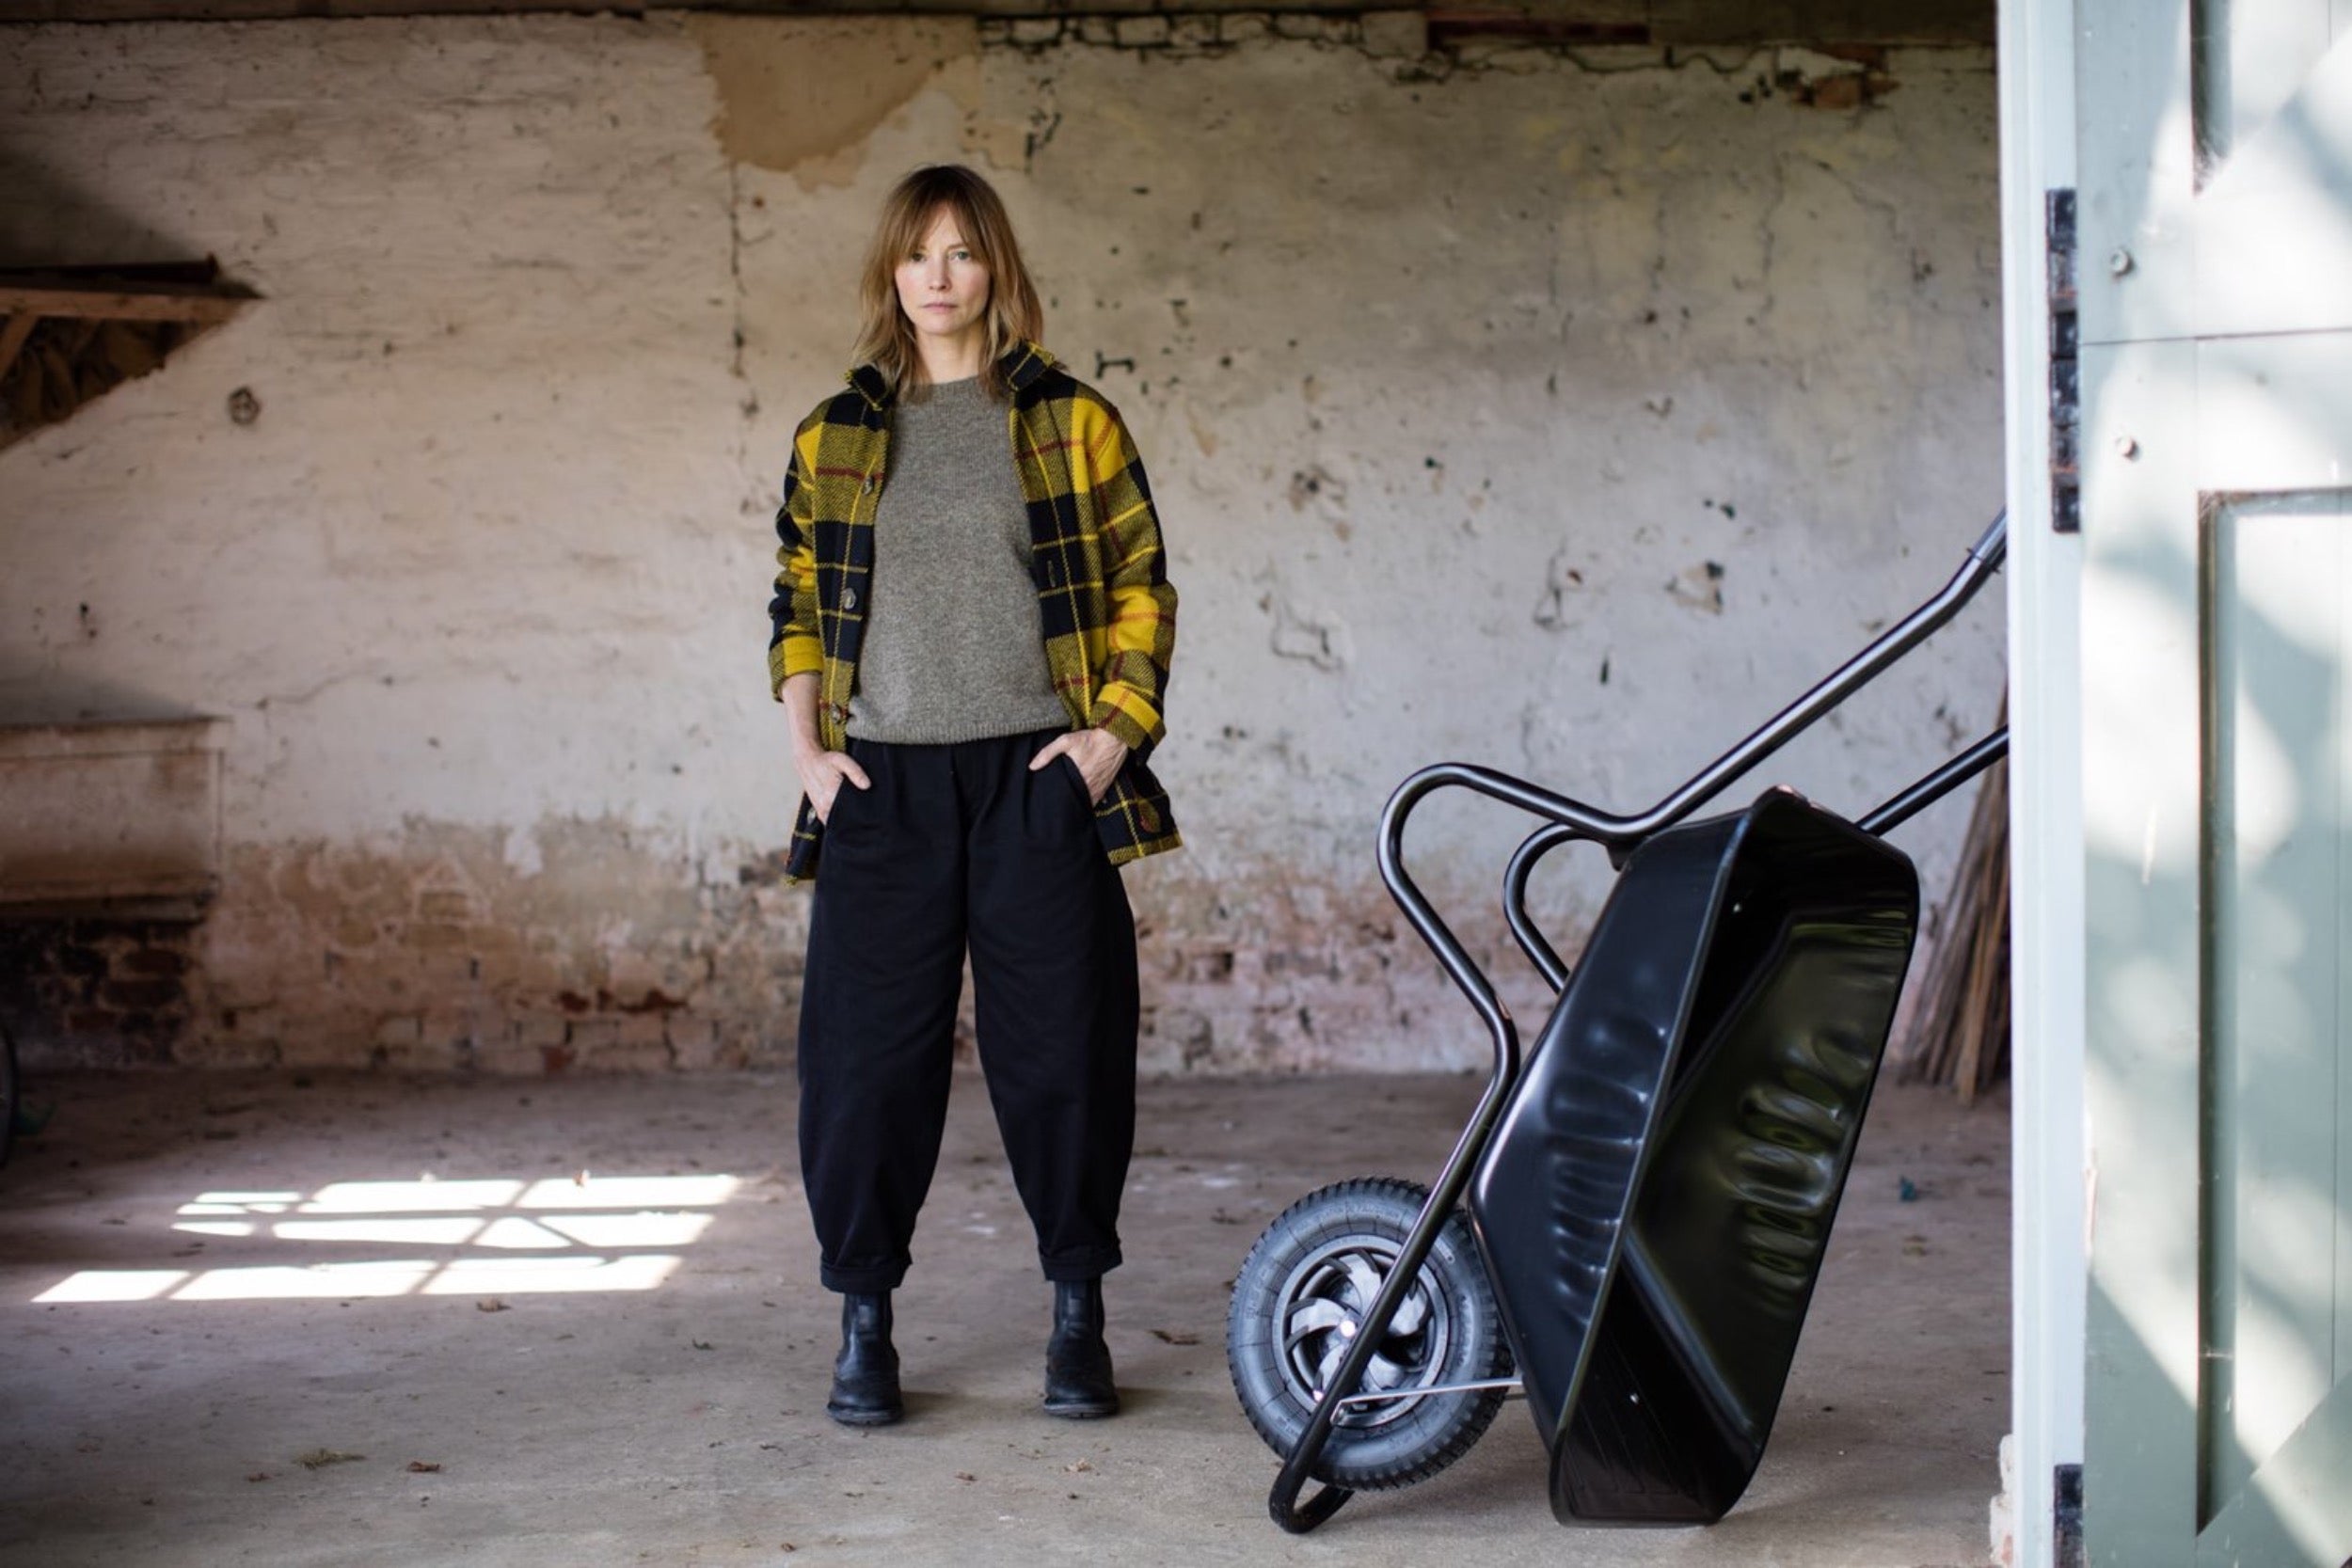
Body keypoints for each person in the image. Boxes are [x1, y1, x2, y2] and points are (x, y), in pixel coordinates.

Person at [765, 164, 1180, 1427]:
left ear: (996, 268)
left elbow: (1141, 585)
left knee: (1064, 1051)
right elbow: (795, 603)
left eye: (961, 252)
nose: (939, 276)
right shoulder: (836, 432)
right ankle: (866, 1323)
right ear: (891, 274)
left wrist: (1113, 739)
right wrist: (807, 758)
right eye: (917, 254)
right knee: (865, 1068)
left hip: (1037, 780)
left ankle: (1076, 1316)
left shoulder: (1072, 421)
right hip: (881, 788)